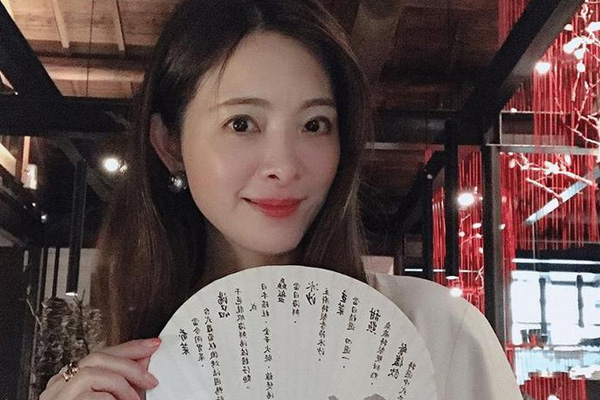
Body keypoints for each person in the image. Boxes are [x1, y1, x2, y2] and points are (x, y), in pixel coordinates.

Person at [40, 0, 522, 399]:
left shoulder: (438, 332)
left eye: (314, 125)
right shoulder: (134, 369)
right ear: (170, 144)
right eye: (242, 124)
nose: (285, 165)